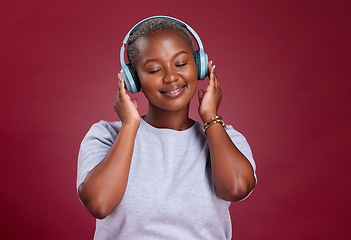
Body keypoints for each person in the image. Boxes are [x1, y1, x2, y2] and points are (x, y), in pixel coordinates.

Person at [76, 16, 257, 239]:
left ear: (199, 66)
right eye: (153, 69)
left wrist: (211, 117)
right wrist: (130, 126)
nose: (171, 77)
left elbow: (236, 188)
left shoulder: (225, 137)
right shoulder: (105, 136)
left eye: (181, 63)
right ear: (134, 80)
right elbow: (100, 203)